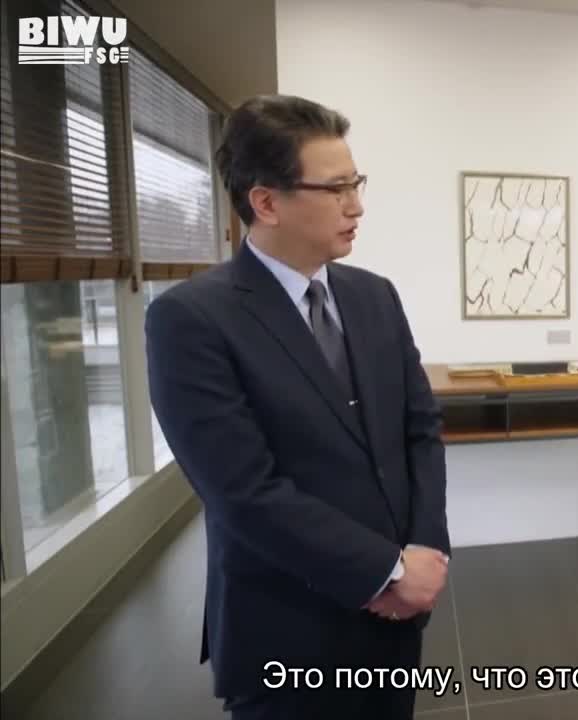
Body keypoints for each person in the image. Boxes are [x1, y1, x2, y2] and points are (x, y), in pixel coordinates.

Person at [146, 95, 450, 720]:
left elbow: (420, 432)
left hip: (394, 625)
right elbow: (243, 491)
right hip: (287, 628)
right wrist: (387, 572)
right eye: (336, 189)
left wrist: (425, 552)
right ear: (266, 202)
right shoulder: (191, 319)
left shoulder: (375, 297)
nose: (357, 206)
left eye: (357, 184)